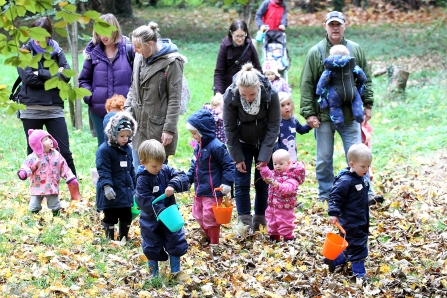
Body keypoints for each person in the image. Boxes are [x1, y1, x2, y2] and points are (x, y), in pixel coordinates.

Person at [299, 11, 374, 202]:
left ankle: (364, 192)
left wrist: (368, 104)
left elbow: (367, 79)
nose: (335, 28)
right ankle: (326, 194)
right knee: (324, 159)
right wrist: (309, 113)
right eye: (331, 24)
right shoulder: (316, 52)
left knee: (360, 155)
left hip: (351, 115)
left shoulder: (355, 49)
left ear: (344, 26)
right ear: (325, 26)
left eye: (338, 24)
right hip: (323, 116)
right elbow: (307, 84)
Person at [223, 62, 281, 232]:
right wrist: (237, 157)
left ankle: (260, 221)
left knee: (263, 182)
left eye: (252, 94)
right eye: (244, 94)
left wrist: (264, 156)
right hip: (242, 143)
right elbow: (230, 128)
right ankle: (244, 222)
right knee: (241, 182)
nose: (248, 98)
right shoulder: (230, 96)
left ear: (259, 86)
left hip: (266, 142)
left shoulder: (271, 95)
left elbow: (274, 126)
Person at [16, 16, 77, 176]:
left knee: (64, 150)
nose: (37, 40)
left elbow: (67, 75)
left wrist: (40, 73)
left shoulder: (56, 51)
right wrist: (55, 75)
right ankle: (36, 191)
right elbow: (28, 78)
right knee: (34, 153)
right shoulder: (24, 52)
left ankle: (74, 186)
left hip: (54, 108)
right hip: (31, 108)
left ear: (49, 35)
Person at [125, 22, 186, 169]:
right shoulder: (139, 57)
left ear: (150, 44)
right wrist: (127, 112)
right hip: (138, 125)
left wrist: (169, 129)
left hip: (157, 128)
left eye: (138, 47)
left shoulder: (172, 62)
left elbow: (174, 99)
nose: (135, 50)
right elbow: (133, 88)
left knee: (156, 172)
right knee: (137, 170)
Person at [135, 139, 190, 277]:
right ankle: (154, 275)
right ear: (143, 163)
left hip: (171, 217)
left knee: (175, 240)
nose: (158, 168)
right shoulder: (142, 179)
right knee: (151, 245)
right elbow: (144, 200)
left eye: (161, 164)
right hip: (151, 220)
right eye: (154, 166)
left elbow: (182, 176)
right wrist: (160, 210)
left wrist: (173, 185)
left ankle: (176, 271)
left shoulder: (165, 170)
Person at [79, 13, 134, 147]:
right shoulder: (92, 53)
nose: (103, 36)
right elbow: (83, 80)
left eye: (106, 32)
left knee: (125, 149)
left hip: (124, 111)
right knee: (104, 148)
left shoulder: (129, 50)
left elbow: (138, 78)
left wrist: (131, 102)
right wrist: (91, 98)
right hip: (99, 111)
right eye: (99, 32)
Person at [186, 109, 235, 245]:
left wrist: (227, 183)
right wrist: (188, 179)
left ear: (204, 131)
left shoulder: (217, 147)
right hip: (200, 189)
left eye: (195, 133)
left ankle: (214, 243)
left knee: (210, 217)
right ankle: (207, 236)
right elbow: (194, 165)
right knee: (198, 214)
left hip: (213, 191)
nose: (194, 136)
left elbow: (229, 164)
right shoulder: (199, 147)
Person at [324, 143, 372, 278]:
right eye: (363, 166)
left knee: (352, 244)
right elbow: (334, 196)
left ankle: (334, 260)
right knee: (358, 246)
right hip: (350, 221)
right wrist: (333, 213)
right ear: (352, 164)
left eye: (368, 166)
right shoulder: (345, 181)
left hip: (360, 219)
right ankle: (360, 274)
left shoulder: (359, 178)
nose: (366, 169)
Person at [96, 112, 137, 241]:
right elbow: (103, 170)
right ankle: (110, 239)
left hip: (125, 189)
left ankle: (123, 237)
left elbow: (131, 169)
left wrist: (135, 185)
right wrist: (107, 186)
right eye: (121, 136)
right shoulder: (104, 150)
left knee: (126, 215)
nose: (125, 139)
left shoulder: (127, 149)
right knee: (111, 215)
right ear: (112, 134)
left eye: (127, 135)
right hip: (111, 190)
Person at [17, 129, 79, 215]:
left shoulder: (57, 155)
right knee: (34, 205)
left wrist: (70, 178)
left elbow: (64, 167)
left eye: (49, 137)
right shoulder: (33, 157)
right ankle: (34, 215)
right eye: (45, 139)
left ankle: (56, 215)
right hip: (37, 187)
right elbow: (27, 166)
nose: (50, 140)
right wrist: (24, 172)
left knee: (55, 204)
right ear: (38, 144)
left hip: (52, 186)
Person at [257, 149, 305, 241]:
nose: (277, 166)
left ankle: (288, 237)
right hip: (272, 204)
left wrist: (279, 186)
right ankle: (274, 236)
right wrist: (263, 169)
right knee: (272, 220)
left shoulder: (292, 176)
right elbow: (269, 175)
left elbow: (289, 188)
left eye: (281, 164)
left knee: (284, 221)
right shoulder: (276, 174)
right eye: (275, 164)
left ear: (288, 163)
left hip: (284, 206)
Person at [316, 44, 367, 130]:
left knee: (334, 106)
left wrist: (321, 96)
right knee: (356, 100)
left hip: (335, 94)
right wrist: (361, 85)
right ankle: (359, 115)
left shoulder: (330, 68)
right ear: (347, 54)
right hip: (351, 91)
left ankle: (338, 122)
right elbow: (362, 76)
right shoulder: (352, 65)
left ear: (331, 55)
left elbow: (322, 82)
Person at [213, 20, 262, 96]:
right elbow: (219, 72)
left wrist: (262, 84)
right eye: (237, 36)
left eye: (242, 36)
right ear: (231, 33)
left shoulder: (249, 45)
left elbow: (258, 68)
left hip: (247, 88)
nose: (240, 39)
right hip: (229, 87)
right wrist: (218, 92)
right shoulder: (225, 46)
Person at [275, 92, 312, 161]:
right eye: (282, 105)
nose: (287, 107)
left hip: (292, 154)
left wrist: (310, 124)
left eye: (288, 104)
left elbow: (302, 130)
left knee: (293, 171)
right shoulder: (277, 122)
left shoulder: (293, 120)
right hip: (279, 156)